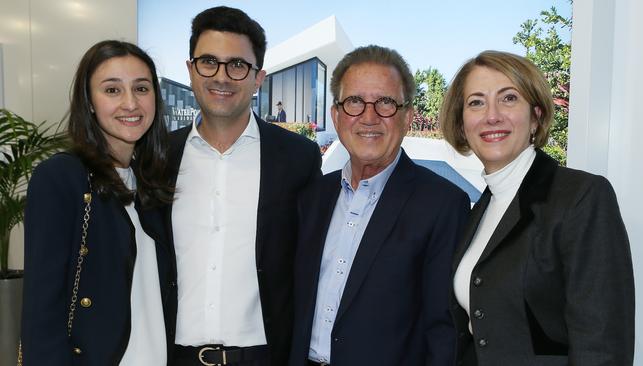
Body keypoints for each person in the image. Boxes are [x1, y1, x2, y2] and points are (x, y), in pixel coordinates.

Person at [440, 50, 635, 365]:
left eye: (509, 98)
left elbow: (601, 349)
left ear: (537, 116)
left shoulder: (581, 197)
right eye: (476, 102)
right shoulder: (480, 210)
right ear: (462, 125)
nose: (492, 115)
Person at [289, 45, 470, 366]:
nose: (369, 117)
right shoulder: (312, 197)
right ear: (336, 115)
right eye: (355, 102)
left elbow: (444, 331)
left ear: (407, 116)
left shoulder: (443, 204)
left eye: (385, 102)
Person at [166, 6, 322, 366]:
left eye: (237, 65)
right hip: (172, 357)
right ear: (190, 70)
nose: (222, 76)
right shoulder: (158, 158)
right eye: (208, 62)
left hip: (265, 358)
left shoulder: (298, 158)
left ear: (258, 78)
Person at [21, 40, 176, 365]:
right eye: (112, 90)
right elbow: (41, 307)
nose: (130, 103)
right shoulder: (62, 177)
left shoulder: (153, 180)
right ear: (89, 102)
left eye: (142, 88)